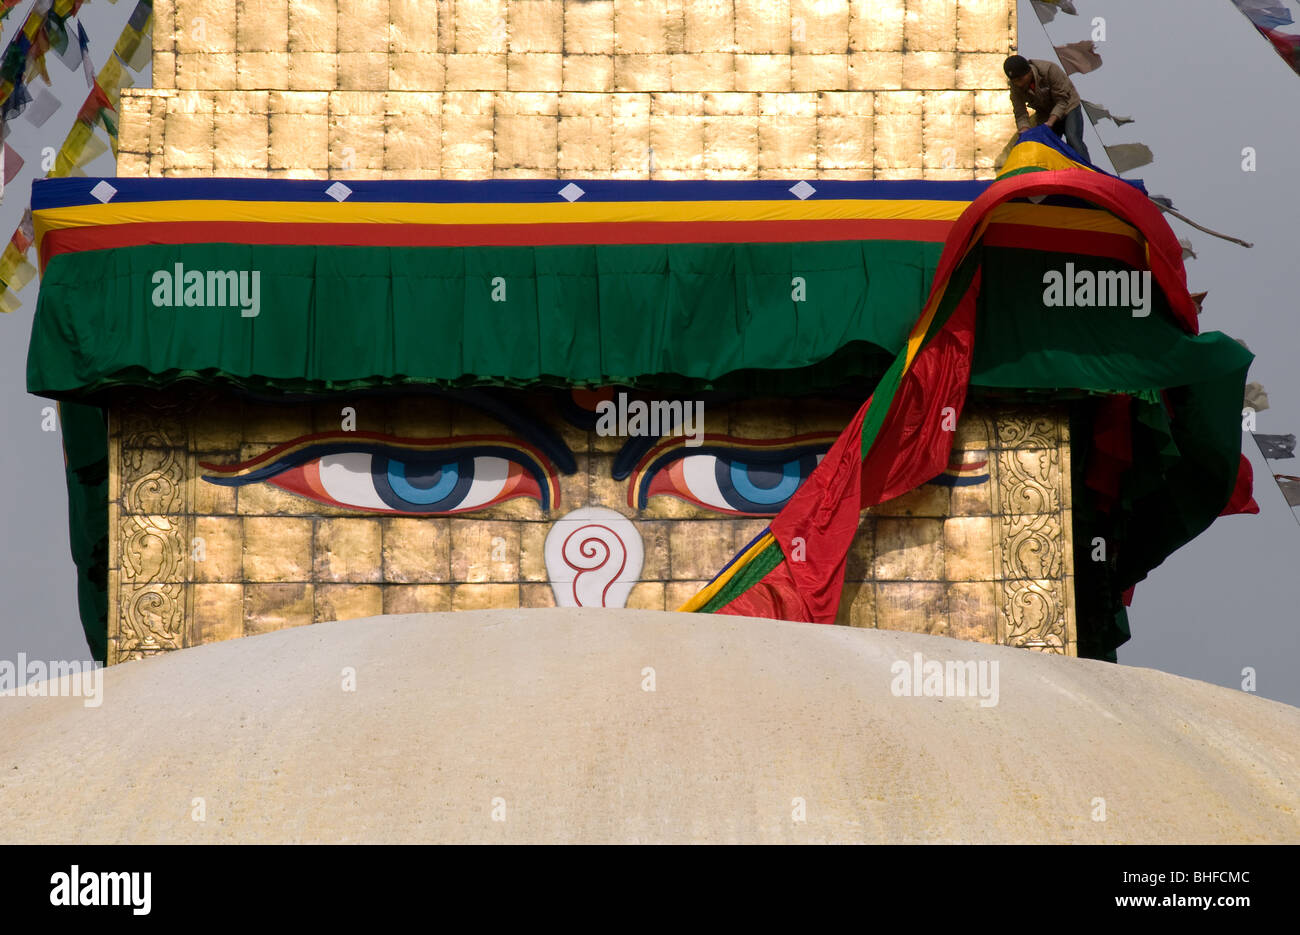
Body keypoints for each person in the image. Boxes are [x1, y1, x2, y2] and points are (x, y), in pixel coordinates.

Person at [1003, 54, 1091, 162]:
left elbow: (1062, 100)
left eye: (1020, 79)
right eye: (1015, 81)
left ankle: (1086, 167)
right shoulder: (1015, 86)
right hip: (1045, 113)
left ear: (1029, 71)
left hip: (1068, 107)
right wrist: (1024, 130)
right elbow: (1020, 112)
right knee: (1044, 143)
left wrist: (1051, 122)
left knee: (1073, 138)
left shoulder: (1049, 70)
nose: (1019, 84)